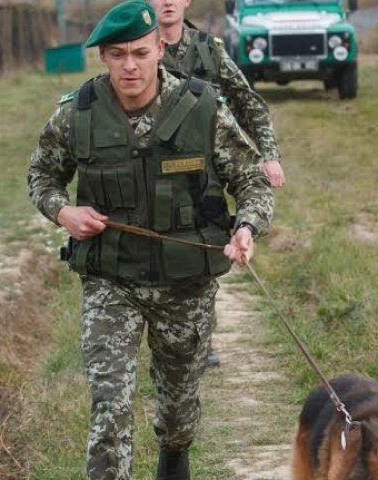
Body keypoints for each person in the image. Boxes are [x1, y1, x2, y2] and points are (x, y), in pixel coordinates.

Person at [27, 2, 274, 478]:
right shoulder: (76, 114)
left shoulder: (203, 109)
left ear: (160, 48)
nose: (130, 65)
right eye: (117, 54)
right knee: (109, 403)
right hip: (109, 281)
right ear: (103, 57)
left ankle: (174, 458)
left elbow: (251, 178)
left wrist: (246, 227)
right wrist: (64, 211)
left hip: (185, 285)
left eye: (140, 52)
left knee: (179, 408)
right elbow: (41, 175)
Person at [149, 0, 285, 368]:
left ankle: (199, 337)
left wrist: (269, 154)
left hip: (203, 167)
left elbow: (248, 103)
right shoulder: (139, 49)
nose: (166, 2)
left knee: (203, 249)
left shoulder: (209, 50)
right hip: (151, 171)